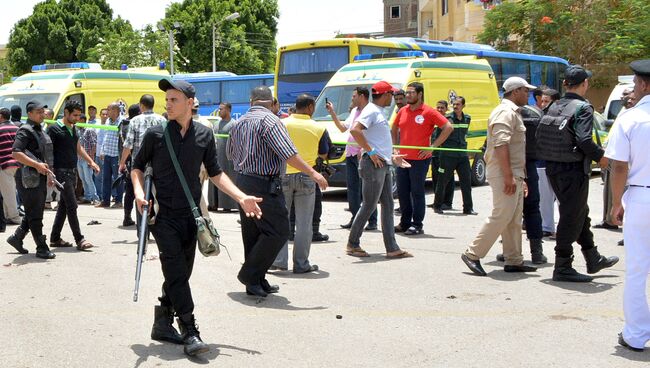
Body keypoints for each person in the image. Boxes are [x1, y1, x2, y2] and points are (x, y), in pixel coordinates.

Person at [132, 79, 263, 356]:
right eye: (166, 99)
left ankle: (162, 321)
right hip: (162, 217)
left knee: (182, 272)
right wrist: (137, 192)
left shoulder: (204, 135)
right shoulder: (155, 135)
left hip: (192, 216)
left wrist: (241, 197)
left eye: (174, 100)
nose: (167, 104)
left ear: (190, 103)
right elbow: (136, 166)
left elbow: (215, 173)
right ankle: (190, 330)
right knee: (177, 272)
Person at [228, 86, 328, 297]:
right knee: (279, 230)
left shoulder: (238, 123)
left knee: (253, 233)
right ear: (273, 103)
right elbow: (288, 154)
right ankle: (250, 274)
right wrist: (314, 173)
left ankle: (256, 280)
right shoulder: (271, 121)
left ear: (251, 101)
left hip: (243, 180)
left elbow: (230, 154)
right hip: (264, 183)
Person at [536, 65, 618, 282]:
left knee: (580, 212)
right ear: (585, 84)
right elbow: (583, 140)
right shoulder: (583, 108)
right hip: (573, 171)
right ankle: (563, 266)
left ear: (565, 84)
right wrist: (601, 156)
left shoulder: (554, 105)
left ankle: (593, 257)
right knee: (571, 216)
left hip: (553, 168)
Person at [461, 77, 539, 276]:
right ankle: (472, 254)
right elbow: (500, 144)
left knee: (513, 218)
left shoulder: (512, 112)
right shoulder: (505, 112)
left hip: (513, 173)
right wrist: (508, 176)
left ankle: (514, 260)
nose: (528, 95)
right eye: (525, 91)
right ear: (515, 92)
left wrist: (518, 177)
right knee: (502, 215)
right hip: (504, 172)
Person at [606, 59, 650, 353]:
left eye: (635, 83)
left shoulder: (631, 118)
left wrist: (615, 203)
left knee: (637, 270)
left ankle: (636, 334)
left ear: (645, 84)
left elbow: (619, 166)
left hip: (641, 197)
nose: (633, 88)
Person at [346, 81, 413, 258]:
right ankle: (353, 244)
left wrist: (390, 157)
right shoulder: (372, 110)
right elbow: (355, 130)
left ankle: (392, 248)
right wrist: (372, 152)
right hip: (373, 165)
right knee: (369, 205)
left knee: (388, 205)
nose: (393, 98)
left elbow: (375, 139)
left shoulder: (376, 111)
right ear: (385, 95)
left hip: (382, 164)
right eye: (391, 94)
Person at [273, 94, 332, 273]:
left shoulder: (281, 124)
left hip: (283, 176)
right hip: (308, 176)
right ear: (310, 108)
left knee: (282, 220)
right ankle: (301, 264)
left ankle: (279, 261)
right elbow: (324, 154)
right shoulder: (319, 128)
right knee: (304, 223)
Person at [392, 82, 452, 235]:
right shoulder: (403, 111)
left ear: (420, 94)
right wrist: (395, 147)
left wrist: (432, 147)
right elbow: (393, 128)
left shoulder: (429, 111)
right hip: (403, 158)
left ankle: (417, 224)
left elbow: (448, 127)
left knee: (417, 192)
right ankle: (404, 222)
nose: (408, 95)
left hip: (420, 159)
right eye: (407, 92)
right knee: (403, 192)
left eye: (411, 92)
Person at [47, 100, 99, 251]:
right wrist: (50, 173)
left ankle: (55, 238)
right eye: (74, 115)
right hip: (60, 172)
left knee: (64, 206)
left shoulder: (73, 129)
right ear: (67, 113)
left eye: (78, 115)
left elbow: (78, 147)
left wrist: (91, 162)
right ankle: (80, 239)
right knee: (72, 204)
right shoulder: (54, 129)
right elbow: (48, 152)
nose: (77, 118)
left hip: (72, 171)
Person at [7, 101, 56, 259]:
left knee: (33, 210)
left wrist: (48, 174)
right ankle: (41, 247)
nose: (42, 114)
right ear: (29, 114)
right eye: (38, 112)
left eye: (43, 111)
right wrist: (37, 165)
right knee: (35, 214)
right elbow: (16, 153)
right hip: (28, 179)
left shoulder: (38, 129)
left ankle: (17, 238)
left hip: (39, 177)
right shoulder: (25, 130)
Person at [326, 87, 378, 230]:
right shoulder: (355, 111)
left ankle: (372, 220)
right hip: (351, 154)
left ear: (362, 96)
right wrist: (332, 113)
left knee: (367, 190)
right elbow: (343, 128)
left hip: (364, 155)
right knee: (353, 188)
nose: (352, 99)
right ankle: (355, 217)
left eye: (354, 96)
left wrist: (365, 149)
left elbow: (370, 134)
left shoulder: (370, 111)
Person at [120, 94, 166, 233]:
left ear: (141, 105)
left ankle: (142, 232)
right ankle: (158, 228)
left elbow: (128, 145)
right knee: (157, 195)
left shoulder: (135, 121)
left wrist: (122, 163)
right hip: (159, 165)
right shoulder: (162, 120)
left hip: (139, 166)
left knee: (140, 196)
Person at [432, 96, 475, 216]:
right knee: (442, 181)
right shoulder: (447, 118)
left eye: (458, 104)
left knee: (466, 182)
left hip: (462, 155)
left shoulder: (467, 118)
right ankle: (437, 205)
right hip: (448, 155)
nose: (455, 106)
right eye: (454, 104)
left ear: (463, 106)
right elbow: (438, 135)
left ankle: (468, 208)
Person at [97, 103, 124, 208]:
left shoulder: (122, 121)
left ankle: (118, 201)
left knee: (118, 179)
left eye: (109, 109)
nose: (107, 112)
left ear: (116, 110)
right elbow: (106, 136)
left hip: (117, 155)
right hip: (107, 154)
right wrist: (102, 151)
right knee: (106, 178)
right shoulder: (108, 121)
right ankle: (105, 201)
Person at [429, 100, 454, 209]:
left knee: (447, 179)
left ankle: (447, 202)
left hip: (445, 155)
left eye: (442, 108)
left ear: (446, 109)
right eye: (438, 107)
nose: (439, 110)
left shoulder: (448, 121)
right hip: (435, 154)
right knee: (435, 178)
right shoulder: (434, 121)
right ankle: (437, 200)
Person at [0, 108, 22, 226]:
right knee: (10, 190)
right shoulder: (16, 128)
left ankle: (14, 217)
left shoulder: (0, 129)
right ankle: (8, 215)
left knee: (8, 192)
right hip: (18, 163)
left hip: (5, 164)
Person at [214, 102, 238, 212]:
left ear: (228, 110)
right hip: (215, 158)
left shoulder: (234, 124)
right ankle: (214, 203)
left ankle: (228, 205)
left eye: (222, 109)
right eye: (219, 109)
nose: (219, 111)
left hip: (228, 160)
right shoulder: (216, 124)